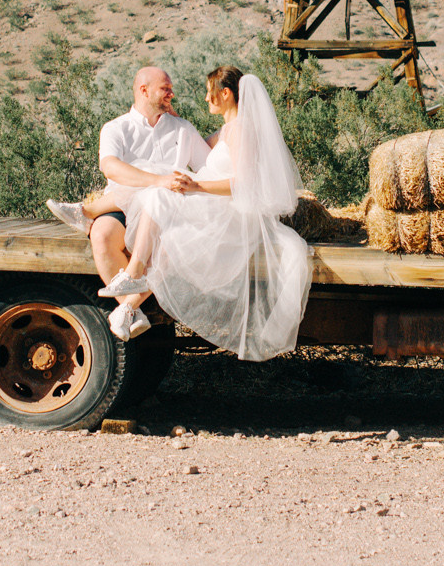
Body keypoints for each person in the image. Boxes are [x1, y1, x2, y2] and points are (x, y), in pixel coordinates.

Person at [98, 66, 312, 360]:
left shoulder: (241, 131)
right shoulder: (228, 129)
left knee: (163, 212)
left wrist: (196, 186)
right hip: (210, 205)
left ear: (225, 93)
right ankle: (128, 301)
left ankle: (132, 282)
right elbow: (198, 146)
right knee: (161, 205)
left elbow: (244, 185)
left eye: (210, 91)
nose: (205, 98)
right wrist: (174, 124)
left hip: (229, 212)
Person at [47, 66, 212, 340]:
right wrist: (157, 180)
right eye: (165, 88)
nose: (172, 93)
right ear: (143, 90)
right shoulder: (116, 128)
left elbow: (207, 167)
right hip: (123, 207)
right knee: (101, 234)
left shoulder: (182, 128)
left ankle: (127, 309)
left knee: (167, 240)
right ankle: (129, 308)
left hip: (169, 212)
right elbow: (110, 168)